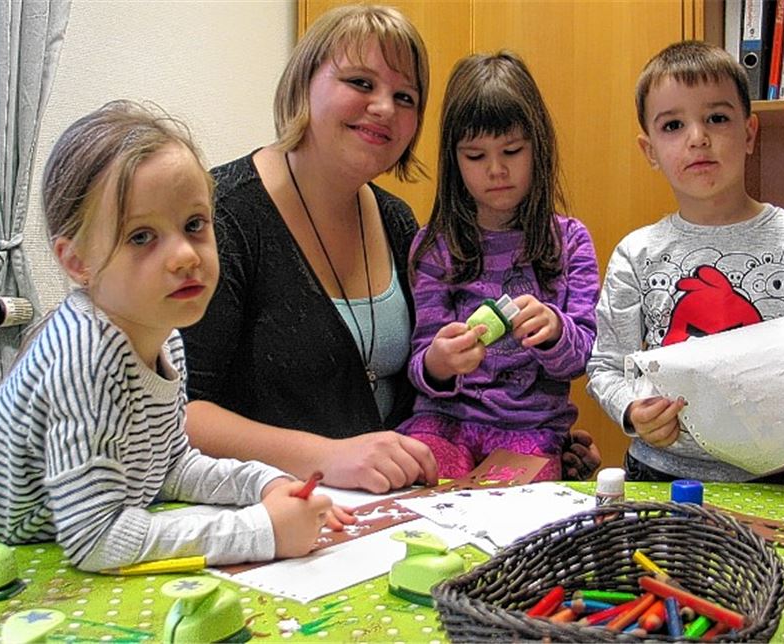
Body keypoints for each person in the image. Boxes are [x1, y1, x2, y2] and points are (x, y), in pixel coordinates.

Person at [180, 5, 600, 491]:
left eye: (405, 95)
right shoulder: (223, 216)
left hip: (390, 500)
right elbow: (177, 412)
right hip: (271, 505)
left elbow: (414, 387)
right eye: (360, 83)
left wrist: (537, 437)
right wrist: (328, 457)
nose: (384, 107)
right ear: (303, 82)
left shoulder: (396, 221)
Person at [0, 101, 334, 572]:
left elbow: (168, 469)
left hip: (45, 554)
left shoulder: (163, 335)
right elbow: (97, 540)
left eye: (195, 225)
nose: (185, 256)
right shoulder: (87, 357)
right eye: (141, 237)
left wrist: (266, 484)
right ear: (76, 263)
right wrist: (262, 530)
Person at [586, 40, 784, 482]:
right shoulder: (636, 254)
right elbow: (606, 366)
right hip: (660, 473)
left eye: (717, 118)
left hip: (777, 476)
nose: (698, 137)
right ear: (649, 150)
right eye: (672, 125)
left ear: (748, 133)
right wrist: (632, 409)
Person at [395, 51, 600, 481]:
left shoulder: (571, 241)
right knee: (423, 490)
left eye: (512, 150)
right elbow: (419, 363)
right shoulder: (434, 246)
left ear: (537, 146)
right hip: (444, 422)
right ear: (454, 160)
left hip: (529, 427)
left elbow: (583, 354)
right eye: (475, 156)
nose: (496, 169)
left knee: (515, 515)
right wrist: (439, 360)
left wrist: (554, 329)